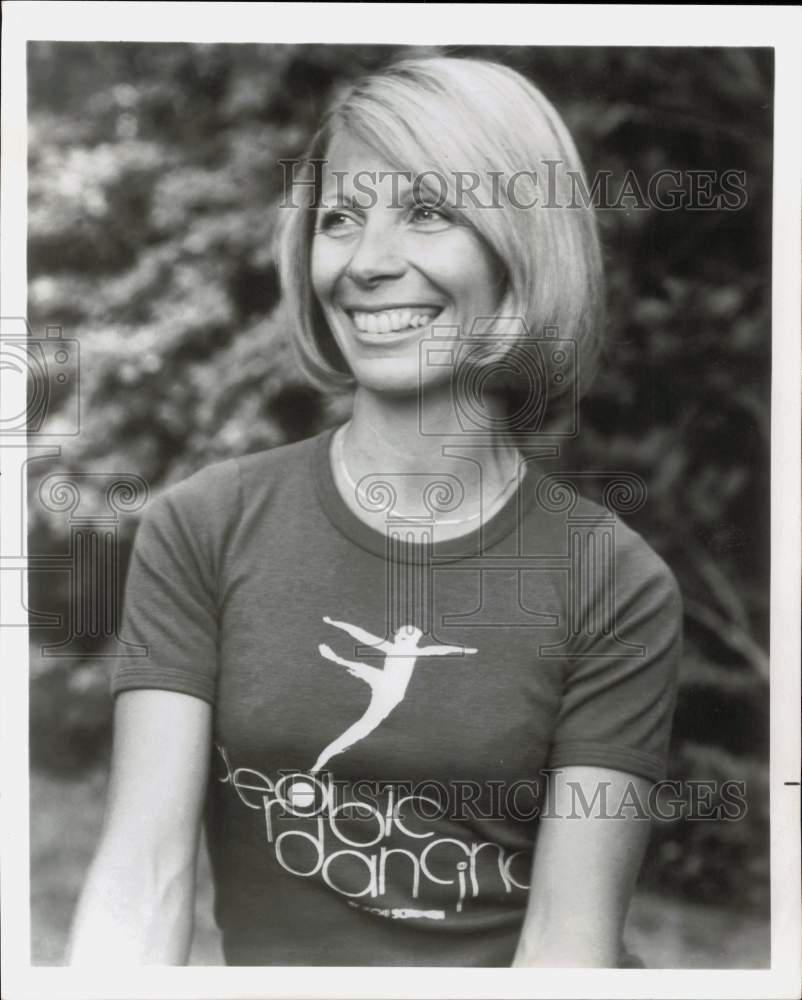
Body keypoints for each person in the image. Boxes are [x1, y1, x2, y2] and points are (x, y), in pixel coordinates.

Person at [68, 54, 682, 968]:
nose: (367, 263)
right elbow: (143, 880)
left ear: (521, 244)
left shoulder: (614, 581)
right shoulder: (204, 526)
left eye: (427, 213)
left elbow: (568, 943)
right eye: (342, 220)